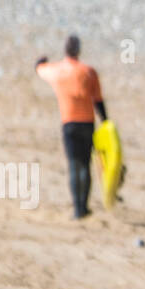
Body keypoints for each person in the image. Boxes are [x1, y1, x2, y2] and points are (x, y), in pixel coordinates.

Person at [35, 35, 108, 219]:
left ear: (65, 50)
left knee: (74, 165)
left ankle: (77, 209)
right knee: (85, 164)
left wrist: (40, 63)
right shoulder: (89, 72)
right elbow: (98, 101)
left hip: (69, 123)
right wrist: (106, 121)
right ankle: (84, 206)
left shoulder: (58, 71)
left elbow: (40, 70)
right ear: (79, 51)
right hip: (88, 123)